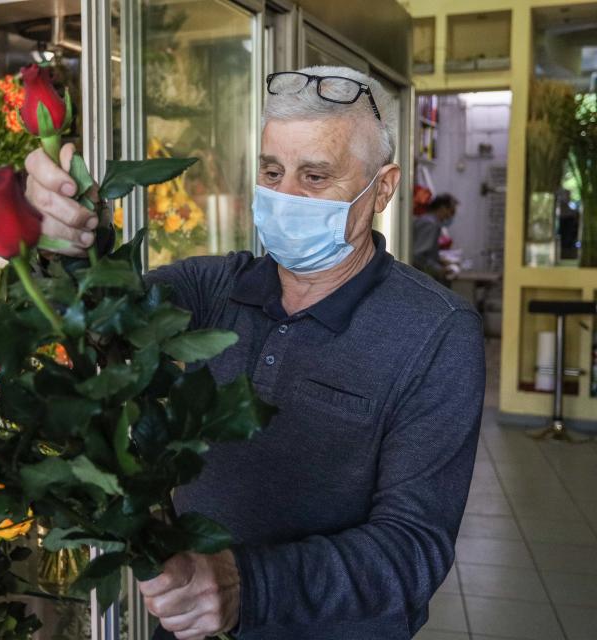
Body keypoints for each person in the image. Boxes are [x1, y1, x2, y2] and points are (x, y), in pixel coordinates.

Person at [24, 66, 484, 640]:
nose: (286, 196)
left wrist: (250, 586)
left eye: (315, 177)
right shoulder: (212, 288)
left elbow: (412, 550)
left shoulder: (436, 331)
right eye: (272, 171)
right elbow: (97, 314)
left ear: (384, 188)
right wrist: (61, 239)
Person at [412, 193, 458, 283]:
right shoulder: (430, 224)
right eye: (451, 212)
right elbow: (418, 255)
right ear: (442, 208)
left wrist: (439, 261)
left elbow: (425, 252)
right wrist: (438, 270)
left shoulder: (427, 221)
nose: (450, 216)